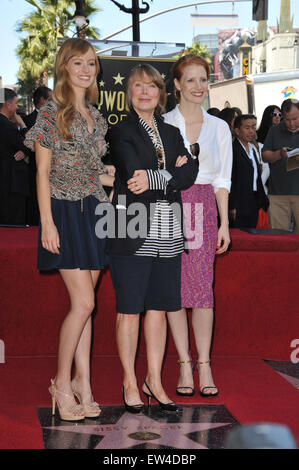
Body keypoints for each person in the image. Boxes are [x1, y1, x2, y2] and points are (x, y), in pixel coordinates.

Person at [24, 38, 114, 421]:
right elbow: (42, 173)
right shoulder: (50, 113)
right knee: (84, 304)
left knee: (86, 308)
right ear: (64, 67)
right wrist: (47, 222)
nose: (85, 70)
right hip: (62, 211)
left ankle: (85, 384)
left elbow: (94, 170)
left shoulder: (96, 116)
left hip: (95, 211)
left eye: (91, 63)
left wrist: (111, 181)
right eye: (77, 63)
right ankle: (61, 384)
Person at [106, 64, 197, 413]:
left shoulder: (173, 131)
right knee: (130, 311)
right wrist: (171, 173)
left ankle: (153, 380)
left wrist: (159, 177)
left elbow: (190, 171)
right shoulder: (121, 130)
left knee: (159, 309)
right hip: (130, 229)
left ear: (161, 92)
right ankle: (130, 380)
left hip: (169, 231)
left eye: (152, 86)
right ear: (129, 93)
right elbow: (131, 172)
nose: (145, 92)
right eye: (138, 86)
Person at [163, 54, 232, 398]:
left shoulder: (219, 127)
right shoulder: (162, 124)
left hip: (204, 208)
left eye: (203, 80)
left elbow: (223, 179)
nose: (198, 87)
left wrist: (223, 224)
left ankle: (204, 363)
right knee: (173, 288)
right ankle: (183, 364)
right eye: (190, 80)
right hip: (169, 207)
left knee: (203, 290)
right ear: (176, 84)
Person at [262, 99, 299, 233]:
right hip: (278, 195)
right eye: (288, 119)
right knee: (278, 238)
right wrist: (279, 154)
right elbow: (264, 156)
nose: (291, 123)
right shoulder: (274, 130)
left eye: (295, 119)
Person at [229, 114, 269, 228]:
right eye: (247, 128)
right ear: (237, 131)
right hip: (239, 202)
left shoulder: (252, 149)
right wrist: (231, 206)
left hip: (253, 200)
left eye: (253, 127)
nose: (251, 131)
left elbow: (256, 177)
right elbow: (230, 178)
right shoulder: (233, 150)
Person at [0, 88, 29, 225]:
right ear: (8, 104)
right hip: (11, 185)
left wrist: (23, 151)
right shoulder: (6, 125)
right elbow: (30, 143)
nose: (17, 108)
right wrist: (23, 125)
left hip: (7, 183)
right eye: (16, 104)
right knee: (13, 225)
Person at [24, 86, 52, 226]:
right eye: (50, 98)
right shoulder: (28, 119)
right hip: (34, 171)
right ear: (42, 100)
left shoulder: (58, 117)